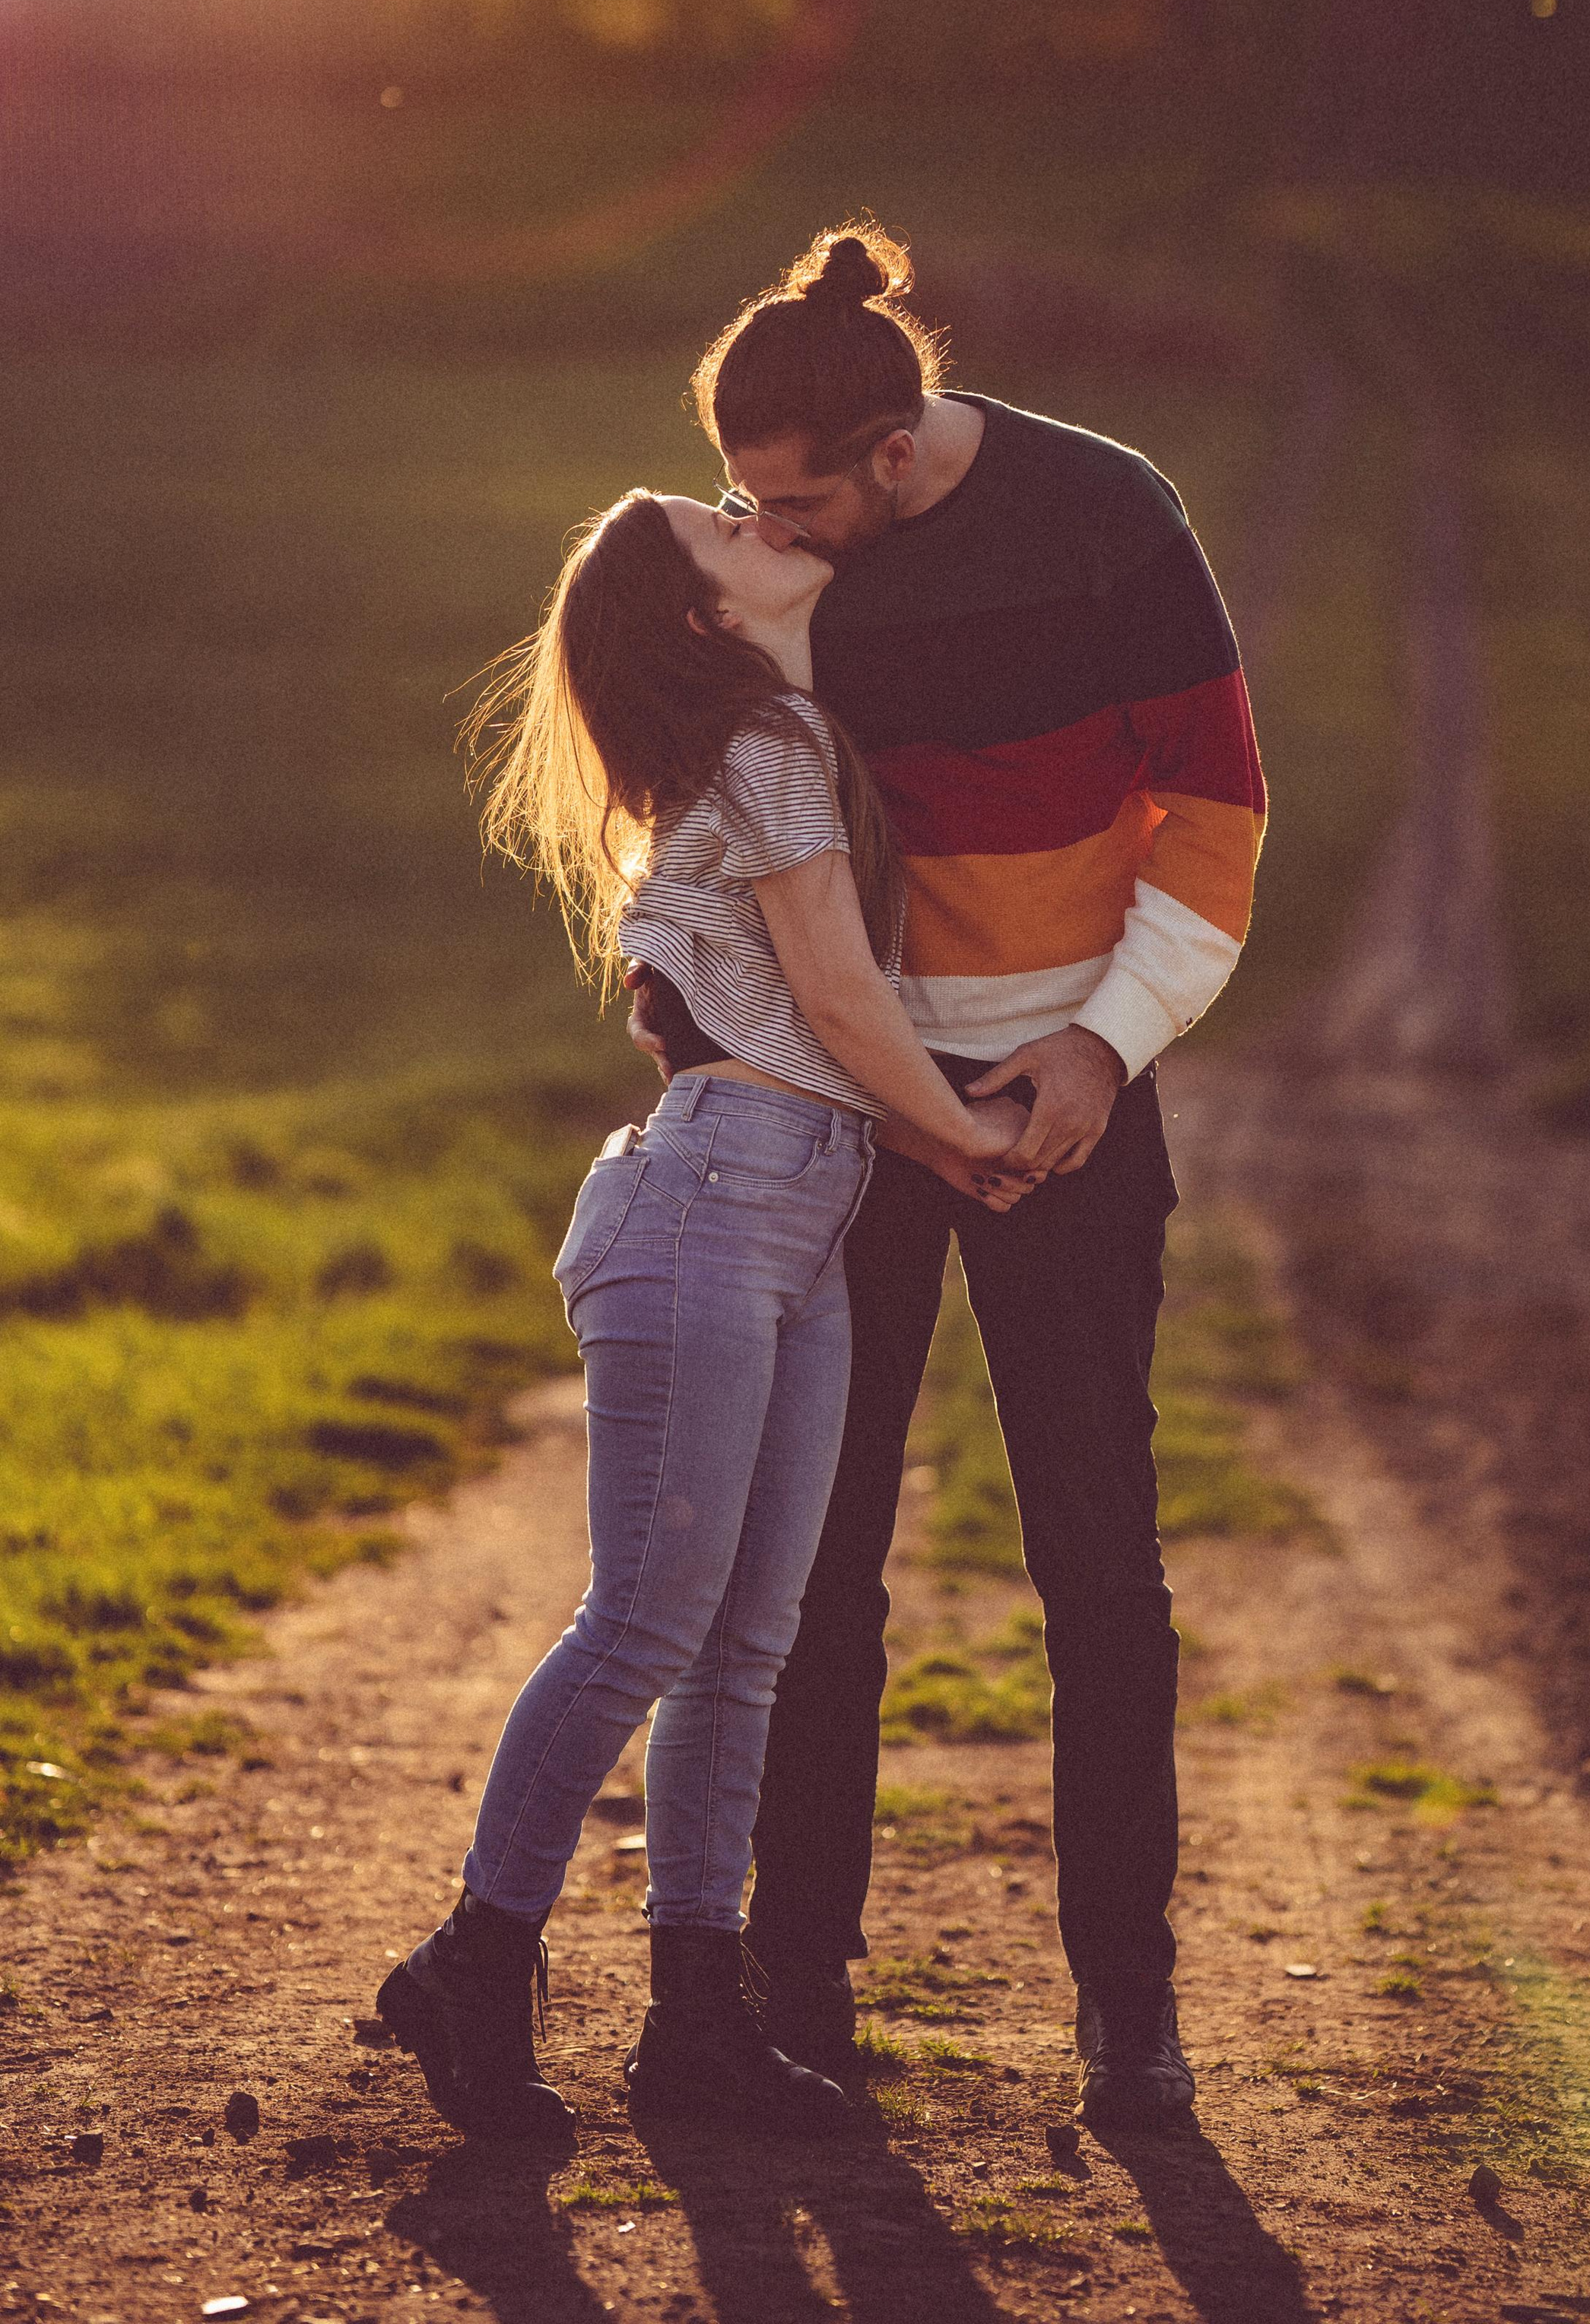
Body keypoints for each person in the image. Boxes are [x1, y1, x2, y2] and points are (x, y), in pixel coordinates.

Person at [639, 220, 1266, 2129]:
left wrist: (1092, 1052)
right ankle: (794, 1998)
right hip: (852, 1112)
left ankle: (1127, 2013)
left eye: (805, 498)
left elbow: (1217, 815)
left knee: (1098, 1557)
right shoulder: (765, 572)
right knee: (816, 1562)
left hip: (1075, 1098)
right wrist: (889, 1095)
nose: (777, 530)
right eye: (752, 496)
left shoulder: (1107, 516)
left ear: (897, 453)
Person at [377, 455, 1030, 2145]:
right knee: (652, 1623)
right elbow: (830, 991)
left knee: (747, 1644)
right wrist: (963, 1136)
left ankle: (692, 2025)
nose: (768, 525)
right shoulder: (768, 747)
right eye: (724, 529)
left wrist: (926, 1143)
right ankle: (472, 1961)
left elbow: (826, 1001)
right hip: (717, 1198)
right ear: (698, 615)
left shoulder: (762, 753)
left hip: (792, 1209)